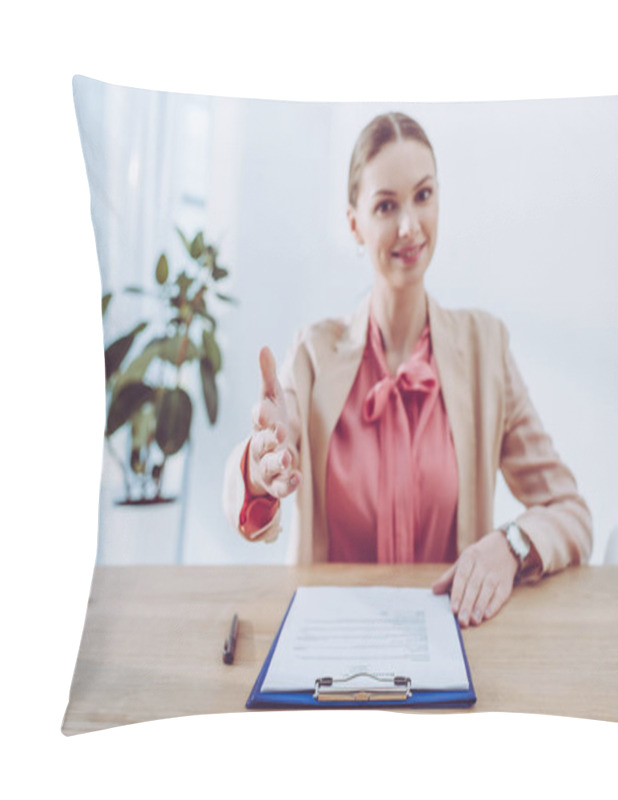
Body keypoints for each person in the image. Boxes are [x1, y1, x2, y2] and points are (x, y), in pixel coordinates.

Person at [223, 112, 592, 627]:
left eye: (423, 196)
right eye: (385, 206)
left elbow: (571, 512)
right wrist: (259, 469)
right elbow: (257, 468)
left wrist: (509, 546)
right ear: (354, 223)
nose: (409, 226)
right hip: (331, 643)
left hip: (454, 641)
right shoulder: (312, 353)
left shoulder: (485, 348)